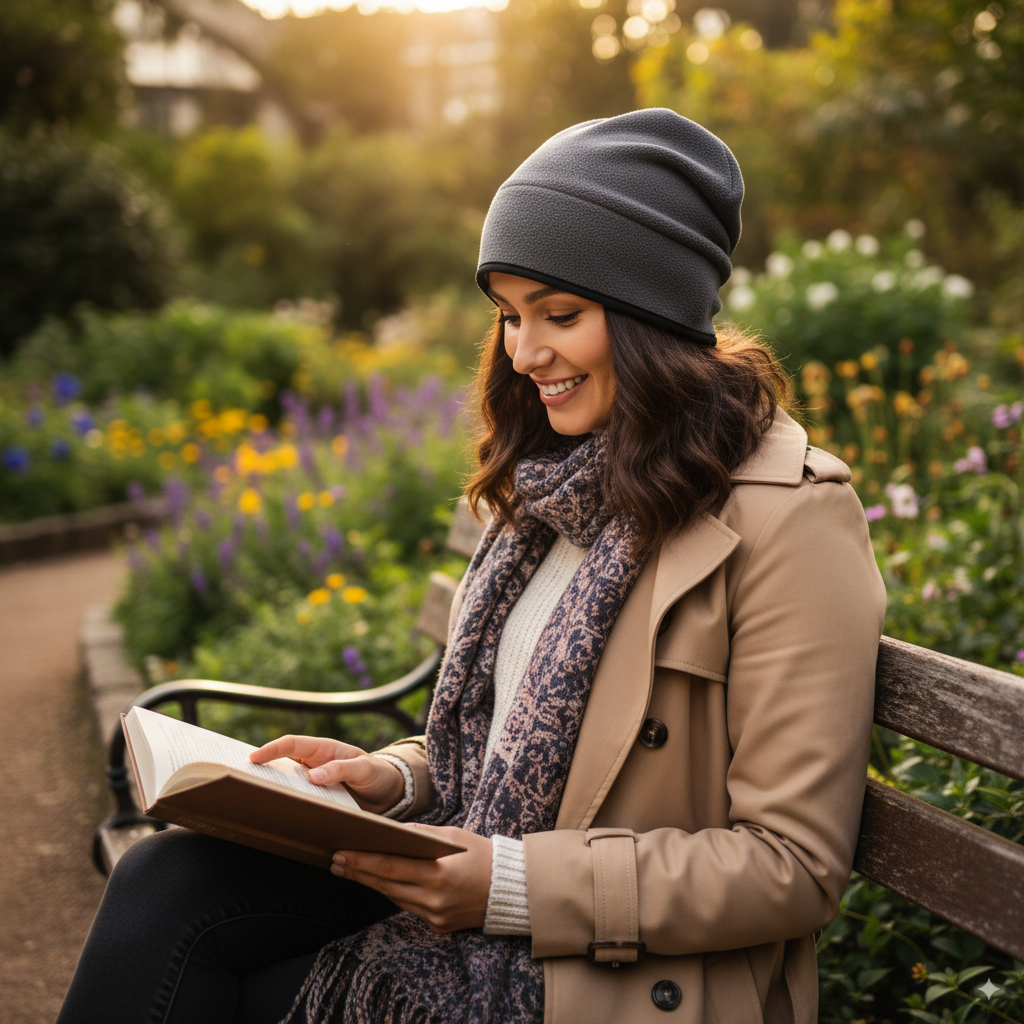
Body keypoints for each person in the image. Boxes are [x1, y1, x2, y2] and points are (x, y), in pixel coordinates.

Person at [57, 109, 886, 1024]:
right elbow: (505, 751)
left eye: (560, 315)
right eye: (510, 317)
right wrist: (396, 778)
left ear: (655, 314)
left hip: (605, 975)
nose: (526, 355)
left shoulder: (791, 522)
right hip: (477, 906)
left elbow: (793, 867)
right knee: (172, 881)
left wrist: (513, 886)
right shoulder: (554, 489)